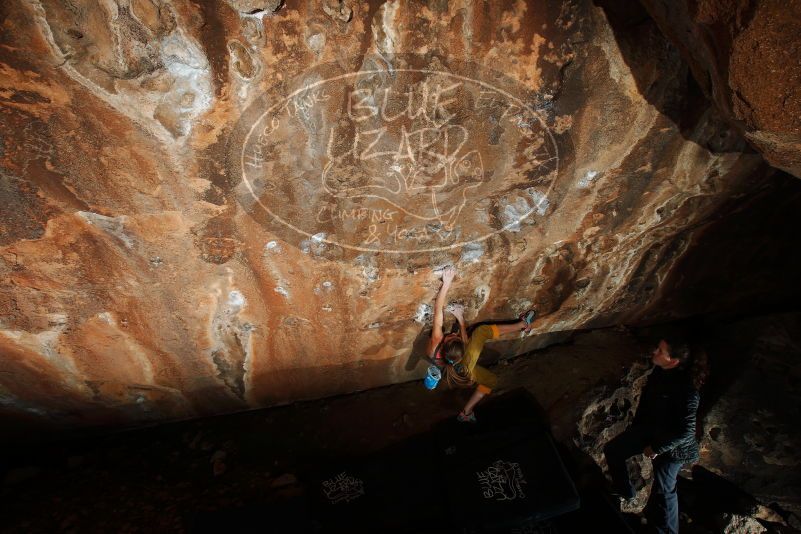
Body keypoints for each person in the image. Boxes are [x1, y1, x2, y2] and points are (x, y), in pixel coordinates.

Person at [603, 337, 708, 534]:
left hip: (673, 448)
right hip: (650, 431)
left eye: (660, 351)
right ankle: (626, 493)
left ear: (673, 360)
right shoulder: (660, 373)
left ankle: (667, 531)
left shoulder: (687, 391)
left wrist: (657, 448)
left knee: (664, 490)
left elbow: (685, 431)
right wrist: (636, 430)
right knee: (613, 450)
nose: (655, 352)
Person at [427, 266, 534, 422]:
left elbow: (438, 314)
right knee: (481, 332)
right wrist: (460, 318)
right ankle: (522, 325)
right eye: (451, 336)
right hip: (463, 368)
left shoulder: (437, 342)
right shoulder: (458, 354)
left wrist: (447, 284)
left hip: (459, 369)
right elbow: (462, 340)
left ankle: (466, 413)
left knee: (491, 380)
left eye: (452, 336)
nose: (451, 334)